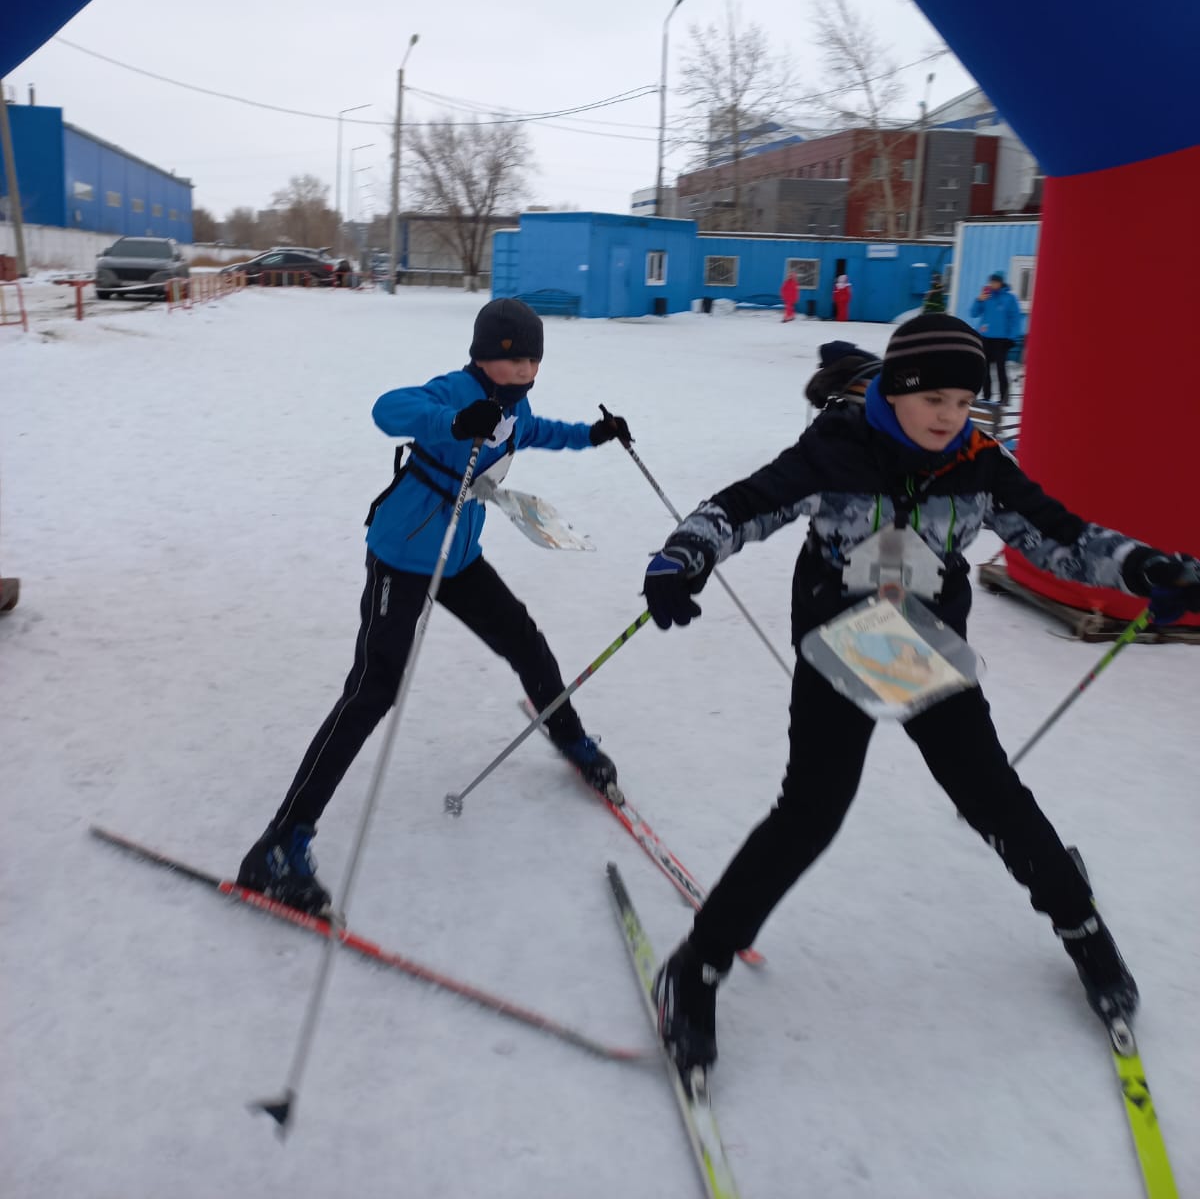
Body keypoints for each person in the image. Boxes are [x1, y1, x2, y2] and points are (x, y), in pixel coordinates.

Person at [640, 313, 1200, 1073]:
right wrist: (685, 555)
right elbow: (744, 506)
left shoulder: (977, 461)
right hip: (845, 637)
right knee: (811, 812)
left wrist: (1143, 568)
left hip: (918, 643)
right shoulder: (836, 449)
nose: (949, 416)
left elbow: (1058, 534)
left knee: (991, 795)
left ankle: (1081, 925)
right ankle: (696, 965)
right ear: (895, 391)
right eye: (933, 397)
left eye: (964, 401)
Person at [238, 298, 633, 913]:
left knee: (523, 637)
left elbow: (539, 431)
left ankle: (572, 737)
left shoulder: (515, 408)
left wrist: (593, 435)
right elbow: (390, 409)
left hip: (458, 558)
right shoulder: (455, 391)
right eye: (515, 360)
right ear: (484, 357)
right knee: (373, 690)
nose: (527, 371)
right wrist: (452, 422)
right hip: (402, 554)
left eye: (534, 360)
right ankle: (279, 845)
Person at [968, 270, 1022, 404]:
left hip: (1001, 340)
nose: (993, 284)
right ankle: (986, 396)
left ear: (1001, 282)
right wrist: (979, 300)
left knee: (1000, 369)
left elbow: (1014, 319)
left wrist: (1011, 338)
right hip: (985, 337)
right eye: (991, 281)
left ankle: (1004, 398)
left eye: (996, 281)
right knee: (984, 368)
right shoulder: (986, 296)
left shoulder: (1009, 298)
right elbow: (973, 313)